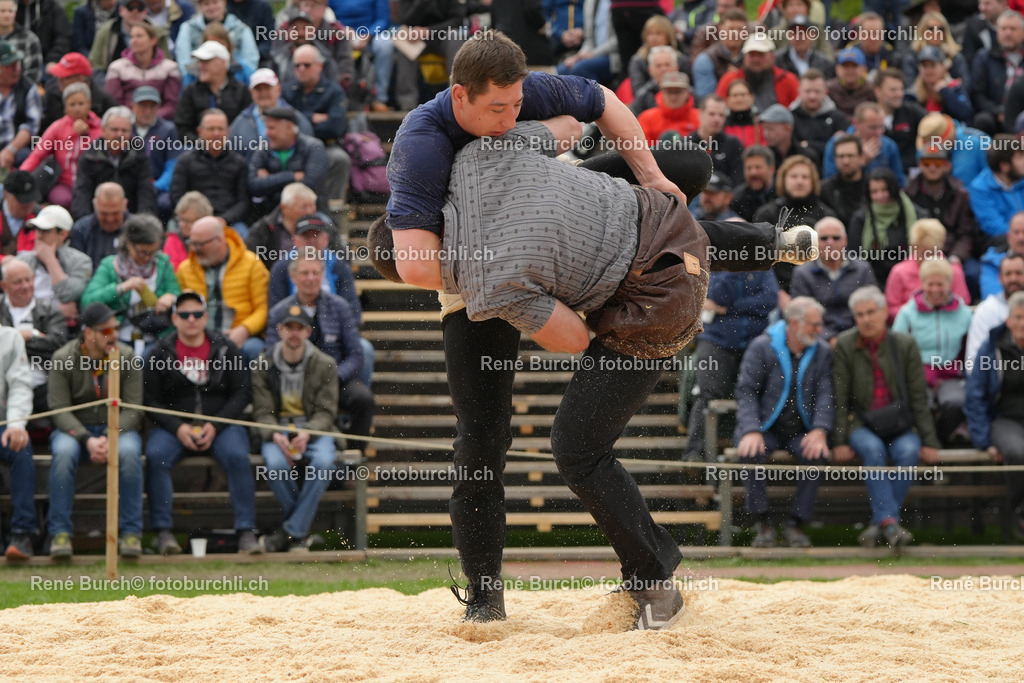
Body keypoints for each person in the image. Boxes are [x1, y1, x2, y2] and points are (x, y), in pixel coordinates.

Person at [371, 119, 814, 629]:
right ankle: (488, 596)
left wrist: (553, 288)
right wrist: (547, 295)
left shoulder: (477, 175)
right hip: (611, 263)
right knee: (488, 442)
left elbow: (575, 336)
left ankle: (644, 582)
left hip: (630, 265)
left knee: (676, 199)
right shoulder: (476, 255)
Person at [381, 30, 695, 627]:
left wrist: (650, 174)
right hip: (474, 276)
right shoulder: (421, 143)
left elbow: (600, 103)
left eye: (517, 105)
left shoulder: (519, 98)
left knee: (684, 174)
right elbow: (416, 265)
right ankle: (484, 596)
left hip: (548, 230)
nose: (509, 118)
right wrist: (499, 267)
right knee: (480, 439)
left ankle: (757, 244)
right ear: (460, 96)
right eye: (497, 109)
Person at [144, 289, 260, 555]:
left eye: (197, 314)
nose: (191, 319)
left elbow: (242, 392)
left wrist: (216, 425)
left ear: (206, 317)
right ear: (174, 318)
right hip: (175, 426)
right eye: (184, 314)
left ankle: (246, 531)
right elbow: (149, 400)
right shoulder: (159, 352)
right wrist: (177, 427)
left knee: (238, 457)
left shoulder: (226, 347)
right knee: (155, 456)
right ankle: (163, 533)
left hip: (220, 424)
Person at [832, 285, 940, 552]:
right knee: (872, 449)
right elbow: (840, 398)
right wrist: (840, 441)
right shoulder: (845, 344)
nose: (866, 319)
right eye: (860, 315)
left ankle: (882, 523)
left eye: (871, 312)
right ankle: (890, 524)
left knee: (909, 450)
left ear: (884, 313)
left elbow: (918, 397)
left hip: (899, 424)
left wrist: (930, 441)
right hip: (861, 423)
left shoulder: (904, 344)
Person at [46, 301, 144, 560]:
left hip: (117, 428)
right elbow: (59, 409)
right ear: (88, 333)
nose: (114, 335)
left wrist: (111, 434)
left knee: (129, 453)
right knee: (63, 454)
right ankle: (59, 534)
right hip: (76, 431)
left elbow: (134, 408)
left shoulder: (126, 356)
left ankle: (131, 533)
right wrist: (87, 439)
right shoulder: (63, 358)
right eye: (106, 330)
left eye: (116, 328)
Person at [734, 296, 832, 548]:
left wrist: (820, 430)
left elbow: (825, 393)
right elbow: (746, 391)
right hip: (764, 428)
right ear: (794, 324)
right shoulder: (762, 346)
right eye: (814, 324)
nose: (819, 329)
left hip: (801, 430)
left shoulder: (821, 350)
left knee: (817, 454)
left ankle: (796, 524)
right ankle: (763, 523)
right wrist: (751, 430)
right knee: (750, 452)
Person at [253, 305, 339, 552]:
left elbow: (326, 412)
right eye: (289, 327)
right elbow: (262, 412)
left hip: (313, 429)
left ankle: (289, 533)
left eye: (299, 328)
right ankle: (299, 534)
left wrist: (307, 433)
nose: (294, 332)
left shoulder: (325, 364)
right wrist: (275, 434)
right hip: (277, 430)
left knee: (324, 464)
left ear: (308, 332)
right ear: (279, 330)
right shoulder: (263, 363)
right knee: (275, 466)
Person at [266, 251, 373, 448]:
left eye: (315, 273)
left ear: (323, 276)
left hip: (335, 379)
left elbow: (355, 355)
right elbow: (271, 354)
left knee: (363, 399)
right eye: (304, 273)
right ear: (293, 277)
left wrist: (332, 376)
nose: (311, 278)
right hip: (293, 382)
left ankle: (354, 454)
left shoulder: (340, 307)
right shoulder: (279, 312)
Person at [892, 258, 973, 446]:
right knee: (921, 404)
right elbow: (897, 350)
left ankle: (944, 441)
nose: (935, 289)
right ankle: (928, 445)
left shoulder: (964, 314)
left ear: (950, 284)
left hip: (951, 374)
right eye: (930, 284)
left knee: (956, 403)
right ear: (922, 283)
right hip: (917, 374)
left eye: (940, 284)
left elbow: (970, 349)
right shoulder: (907, 313)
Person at [964, 289, 1024, 540]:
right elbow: (975, 396)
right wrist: (984, 441)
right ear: (1008, 320)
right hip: (1004, 419)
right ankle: (1021, 514)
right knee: (1018, 453)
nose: (1022, 323)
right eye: (1018, 317)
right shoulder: (991, 349)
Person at [80, 213, 180, 355]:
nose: (147, 258)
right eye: (142, 252)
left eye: (152, 252)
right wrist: (123, 287)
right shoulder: (110, 266)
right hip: (118, 334)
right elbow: (88, 301)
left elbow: (175, 292)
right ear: (128, 244)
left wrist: (170, 297)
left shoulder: (162, 264)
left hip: (155, 333)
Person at [176, 216, 267, 362]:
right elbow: (180, 310)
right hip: (198, 337)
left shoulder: (251, 264)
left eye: (201, 244)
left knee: (254, 349)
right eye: (192, 243)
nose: (195, 249)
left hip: (239, 335)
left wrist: (244, 330)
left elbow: (263, 308)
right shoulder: (185, 269)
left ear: (219, 240)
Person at [282, 43, 351, 209]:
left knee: (340, 159)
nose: (301, 69)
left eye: (307, 65)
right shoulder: (286, 91)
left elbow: (335, 127)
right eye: (297, 65)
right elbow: (282, 124)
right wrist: (312, 117)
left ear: (319, 66)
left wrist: (299, 124)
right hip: (292, 148)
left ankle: (334, 210)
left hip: (325, 146)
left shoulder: (334, 91)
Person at [753, 154, 835, 294]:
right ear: (783, 179)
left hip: (821, 290)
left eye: (805, 177)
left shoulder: (826, 215)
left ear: (813, 181)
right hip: (776, 290)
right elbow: (759, 258)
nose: (799, 181)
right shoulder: (766, 215)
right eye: (794, 176)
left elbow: (833, 257)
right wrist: (778, 292)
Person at [790, 216, 877, 344]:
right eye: (824, 238)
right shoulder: (803, 274)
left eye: (836, 238)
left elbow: (873, 307)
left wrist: (855, 338)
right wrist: (829, 339)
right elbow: (801, 315)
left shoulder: (862, 269)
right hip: (818, 341)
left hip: (860, 338)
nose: (830, 242)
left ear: (845, 240)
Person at [18, 82, 102, 210]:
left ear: (89, 104)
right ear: (65, 107)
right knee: (63, 200)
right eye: (72, 104)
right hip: (64, 183)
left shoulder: (100, 128)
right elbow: (37, 155)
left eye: (81, 103)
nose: (77, 108)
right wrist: (20, 176)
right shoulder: (58, 127)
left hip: (92, 183)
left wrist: (87, 135)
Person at [0, 258, 68, 418]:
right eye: (17, 282)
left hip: (43, 385)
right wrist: (30, 336)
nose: (25, 286)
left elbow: (57, 346)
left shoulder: (49, 309)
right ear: (4, 286)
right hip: (4, 386)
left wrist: (26, 336)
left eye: (28, 279)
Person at [170, 108, 250, 232]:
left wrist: (225, 219)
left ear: (228, 131)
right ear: (200, 131)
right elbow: (176, 197)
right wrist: (197, 219)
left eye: (220, 129)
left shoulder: (239, 163)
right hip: (193, 221)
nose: (216, 133)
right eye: (211, 129)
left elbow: (243, 202)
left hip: (229, 223)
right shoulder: (185, 161)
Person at [71, 106, 157, 220]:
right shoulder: (90, 156)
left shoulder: (139, 156)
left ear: (131, 132)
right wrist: (85, 222)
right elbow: (82, 192)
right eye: (114, 130)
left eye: (124, 130)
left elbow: (145, 190)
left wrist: (142, 220)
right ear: (103, 130)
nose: (119, 135)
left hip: (131, 218)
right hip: (97, 218)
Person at [904, 145, 979, 269]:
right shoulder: (908, 195)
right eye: (927, 163)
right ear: (920, 165)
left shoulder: (960, 195)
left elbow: (966, 233)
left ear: (947, 166)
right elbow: (907, 233)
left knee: (972, 273)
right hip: (919, 254)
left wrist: (956, 256)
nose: (932, 168)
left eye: (938, 163)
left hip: (952, 252)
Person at [16, 205, 92, 326]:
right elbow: (16, 301)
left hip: (65, 330)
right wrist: (55, 310)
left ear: (63, 234)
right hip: (27, 325)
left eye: (46, 231)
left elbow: (68, 295)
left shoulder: (81, 261)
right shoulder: (22, 261)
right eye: (37, 229)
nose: (39, 236)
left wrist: (50, 260)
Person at [247, 106, 327, 212]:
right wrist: (292, 176)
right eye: (266, 128)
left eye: (272, 128)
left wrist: (269, 180)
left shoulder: (313, 147)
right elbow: (253, 185)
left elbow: (311, 183)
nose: (267, 133)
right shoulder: (263, 148)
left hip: (309, 211)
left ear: (289, 127)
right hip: (271, 213)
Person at [885, 218, 971, 317]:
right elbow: (891, 309)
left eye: (933, 253)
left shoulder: (953, 271)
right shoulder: (899, 272)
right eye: (924, 253)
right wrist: (919, 314)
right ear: (913, 248)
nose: (928, 259)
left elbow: (962, 307)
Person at [849, 168, 918, 285]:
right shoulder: (860, 219)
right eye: (874, 192)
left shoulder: (913, 213)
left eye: (884, 190)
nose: (880, 196)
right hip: (873, 280)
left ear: (893, 189)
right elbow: (855, 256)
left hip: (908, 278)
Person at [0, 322, 34, 561]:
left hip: (4, 424)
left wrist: (16, 424)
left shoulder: (10, 337)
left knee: (21, 449)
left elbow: (20, 385)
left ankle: (22, 535)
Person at [393, 0, 467, 110]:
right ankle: (407, 103)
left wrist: (429, 31)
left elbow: (457, 21)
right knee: (403, 41)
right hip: (415, 38)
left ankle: (457, 97)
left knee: (455, 36)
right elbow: (405, 21)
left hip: (443, 35)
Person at [228, 67, 313, 162]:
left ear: (278, 89)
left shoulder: (296, 119)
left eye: (267, 88)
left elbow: (309, 153)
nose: (263, 93)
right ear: (251, 92)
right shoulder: (240, 123)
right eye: (258, 89)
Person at [174, 40, 252, 140]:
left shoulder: (241, 91)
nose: (200, 66)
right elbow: (182, 128)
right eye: (199, 62)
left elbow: (247, 126)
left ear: (223, 63)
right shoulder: (190, 92)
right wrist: (201, 143)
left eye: (206, 62)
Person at [103, 18, 180, 116]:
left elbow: (172, 104)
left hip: (160, 120)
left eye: (139, 36)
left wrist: (150, 118)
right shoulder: (116, 68)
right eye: (132, 37)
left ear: (153, 40)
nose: (134, 41)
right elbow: (113, 103)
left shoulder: (170, 68)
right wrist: (133, 118)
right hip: (126, 120)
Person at [970, 9, 1024, 134]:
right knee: (982, 120)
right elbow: (977, 94)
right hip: (995, 113)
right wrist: (997, 111)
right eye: (1003, 29)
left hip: (1021, 113)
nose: (1008, 33)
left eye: (1013, 29)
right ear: (997, 32)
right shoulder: (984, 57)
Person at [824, 102, 906, 185]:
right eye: (872, 128)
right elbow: (829, 179)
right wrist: (859, 163)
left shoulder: (889, 146)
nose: (879, 133)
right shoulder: (836, 144)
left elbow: (899, 181)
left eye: (881, 127)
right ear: (856, 123)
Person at [966, 252, 1024, 368]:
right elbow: (973, 360)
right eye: (1008, 274)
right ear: (1000, 278)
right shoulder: (986, 310)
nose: (1013, 278)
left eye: (1018, 273)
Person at [131, 86, 180, 219]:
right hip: (130, 185)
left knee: (164, 204)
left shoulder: (168, 130)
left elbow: (172, 166)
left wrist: (154, 187)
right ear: (133, 106)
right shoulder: (124, 129)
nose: (148, 111)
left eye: (152, 106)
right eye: (143, 106)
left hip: (156, 187)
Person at [39, 52, 117, 132]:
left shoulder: (102, 101)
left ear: (80, 79)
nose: (59, 80)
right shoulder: (52, 92)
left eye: (65, 77)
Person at [175, 0, 258, 75]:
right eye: (206, 3)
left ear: (224, 2)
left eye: (215, 2)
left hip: (235, 76)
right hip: (198, 77)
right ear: (200, 6)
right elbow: (183, 60)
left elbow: (250, 60)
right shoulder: (188, 28)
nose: (211, 7)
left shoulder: (241, 28)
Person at [89, 1, 171, 77]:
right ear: (121, 10)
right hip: (112, 80)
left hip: (153, 80)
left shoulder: (158, 33)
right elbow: (96, 65)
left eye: (139, 8)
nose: (135, 12)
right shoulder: (107, 31)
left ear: (145, 12)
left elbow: (167, 65)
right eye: (130, 7)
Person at [969, 133, 1024, 239]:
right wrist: (1020, 235)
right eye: (1019, 158)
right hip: (1004, 241)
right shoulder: (980, 188)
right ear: (1004, 166)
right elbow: (994, 226)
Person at [874, 68, 926, 176]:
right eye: (893, 90)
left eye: (901, 89)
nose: (899, 94)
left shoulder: (912, 111)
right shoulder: (869, 115)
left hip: (909, 173)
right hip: (879, 175)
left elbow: (935, 123)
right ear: (878, 91)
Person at [684, 94, 743, 187]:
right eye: (711, 114)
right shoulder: (686, 144)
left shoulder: (733, 144)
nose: (717, 119)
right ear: (700, 114)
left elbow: (738, 182)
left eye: (721, 115)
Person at [791, 69, 849, 162]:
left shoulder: (838, 118)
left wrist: (809, 144)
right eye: (808, 91)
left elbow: (843, 149)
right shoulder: (790, 118)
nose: (812, 96)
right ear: (799, 91)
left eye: (817, 91)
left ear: (825, 91)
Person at [70, 183, 130, 271]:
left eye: (115, 213)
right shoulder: (81, 229)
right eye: (104, 213)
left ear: (125, 205)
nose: (110, 219)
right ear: (95, 206)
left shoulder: (137, 229)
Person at [0, 41, 40, 172]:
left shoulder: (29, 89)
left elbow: (31, 126)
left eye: (17, 64)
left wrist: (10, 150)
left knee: (26, 156)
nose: (16, 69)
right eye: (10, 66)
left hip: (15, 150)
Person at [691, 7, 747, 99]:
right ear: (721, 29)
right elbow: (706, 99)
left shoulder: (752, 56)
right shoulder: (705, 60)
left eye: (740, 29)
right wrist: (728, 79)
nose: (736, 33)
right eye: (731, 29)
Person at [912, 46, 975, 123]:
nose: (928, 70)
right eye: (924, 66)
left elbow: (966, 113)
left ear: (943, 67)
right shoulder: (913, 92)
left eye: (932, 65)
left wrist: (945, 92)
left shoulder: (954, 87)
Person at [637, 71, 700, 144]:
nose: (673, 97)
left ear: (687, 93)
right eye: (669, 92)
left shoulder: (700, 117)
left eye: (678, 92)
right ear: (662, 92)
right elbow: (642, 147)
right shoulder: (646, 119)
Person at [819, 135, 867, 221]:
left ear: (861, 157)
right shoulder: (824, 190)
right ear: (835, 159)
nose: (846, 161)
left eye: (850, 156)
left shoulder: (871, 187)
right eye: (841, 156)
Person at [758, 103, 820, 168]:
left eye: (771, 129)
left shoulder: (807, 156)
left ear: (788, 128)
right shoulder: (763, 158)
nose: (766, 133)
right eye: (764, 129)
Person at [775, 13, 834, 79]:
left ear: (812, 35)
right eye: (795, 32)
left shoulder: (825, 63)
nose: (799, 37)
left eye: (803, 32)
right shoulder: (777, 61)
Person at [980, 211, 1024, 299]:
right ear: (1008, 236)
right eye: (1016, 232)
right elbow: (992, 297)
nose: (1021, 238)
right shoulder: (991, 262)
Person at [164, 190, 210, 267]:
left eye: (188, 221)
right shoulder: (173, 239)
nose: (182, 225)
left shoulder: (212, 240)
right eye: (180, 219)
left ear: (203, 220)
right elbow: (173, 269)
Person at [0, 170, 41, 257]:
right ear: (6, 194)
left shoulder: (41, 217)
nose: (29, 205)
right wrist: (3, 260)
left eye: (32, 199)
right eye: (23, 201)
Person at [730, 145, 776, 221]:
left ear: (771, 169)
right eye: (749, 168)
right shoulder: (738, 199)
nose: (753, 172)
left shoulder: (784, 193)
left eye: (758, 167)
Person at [0, 0, 42, 83]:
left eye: (10, 11)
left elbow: (34, 73)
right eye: (2, 11)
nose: (7, 15)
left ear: (15, 13)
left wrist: (16, 88)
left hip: (21, 88)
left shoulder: (29, 39)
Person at [722, 78, 762, 147]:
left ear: (752, 98)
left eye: (743, 95)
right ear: (727, 100)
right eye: (735, 95)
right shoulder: (721, 125)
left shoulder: (761, 123)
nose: (739, 99)